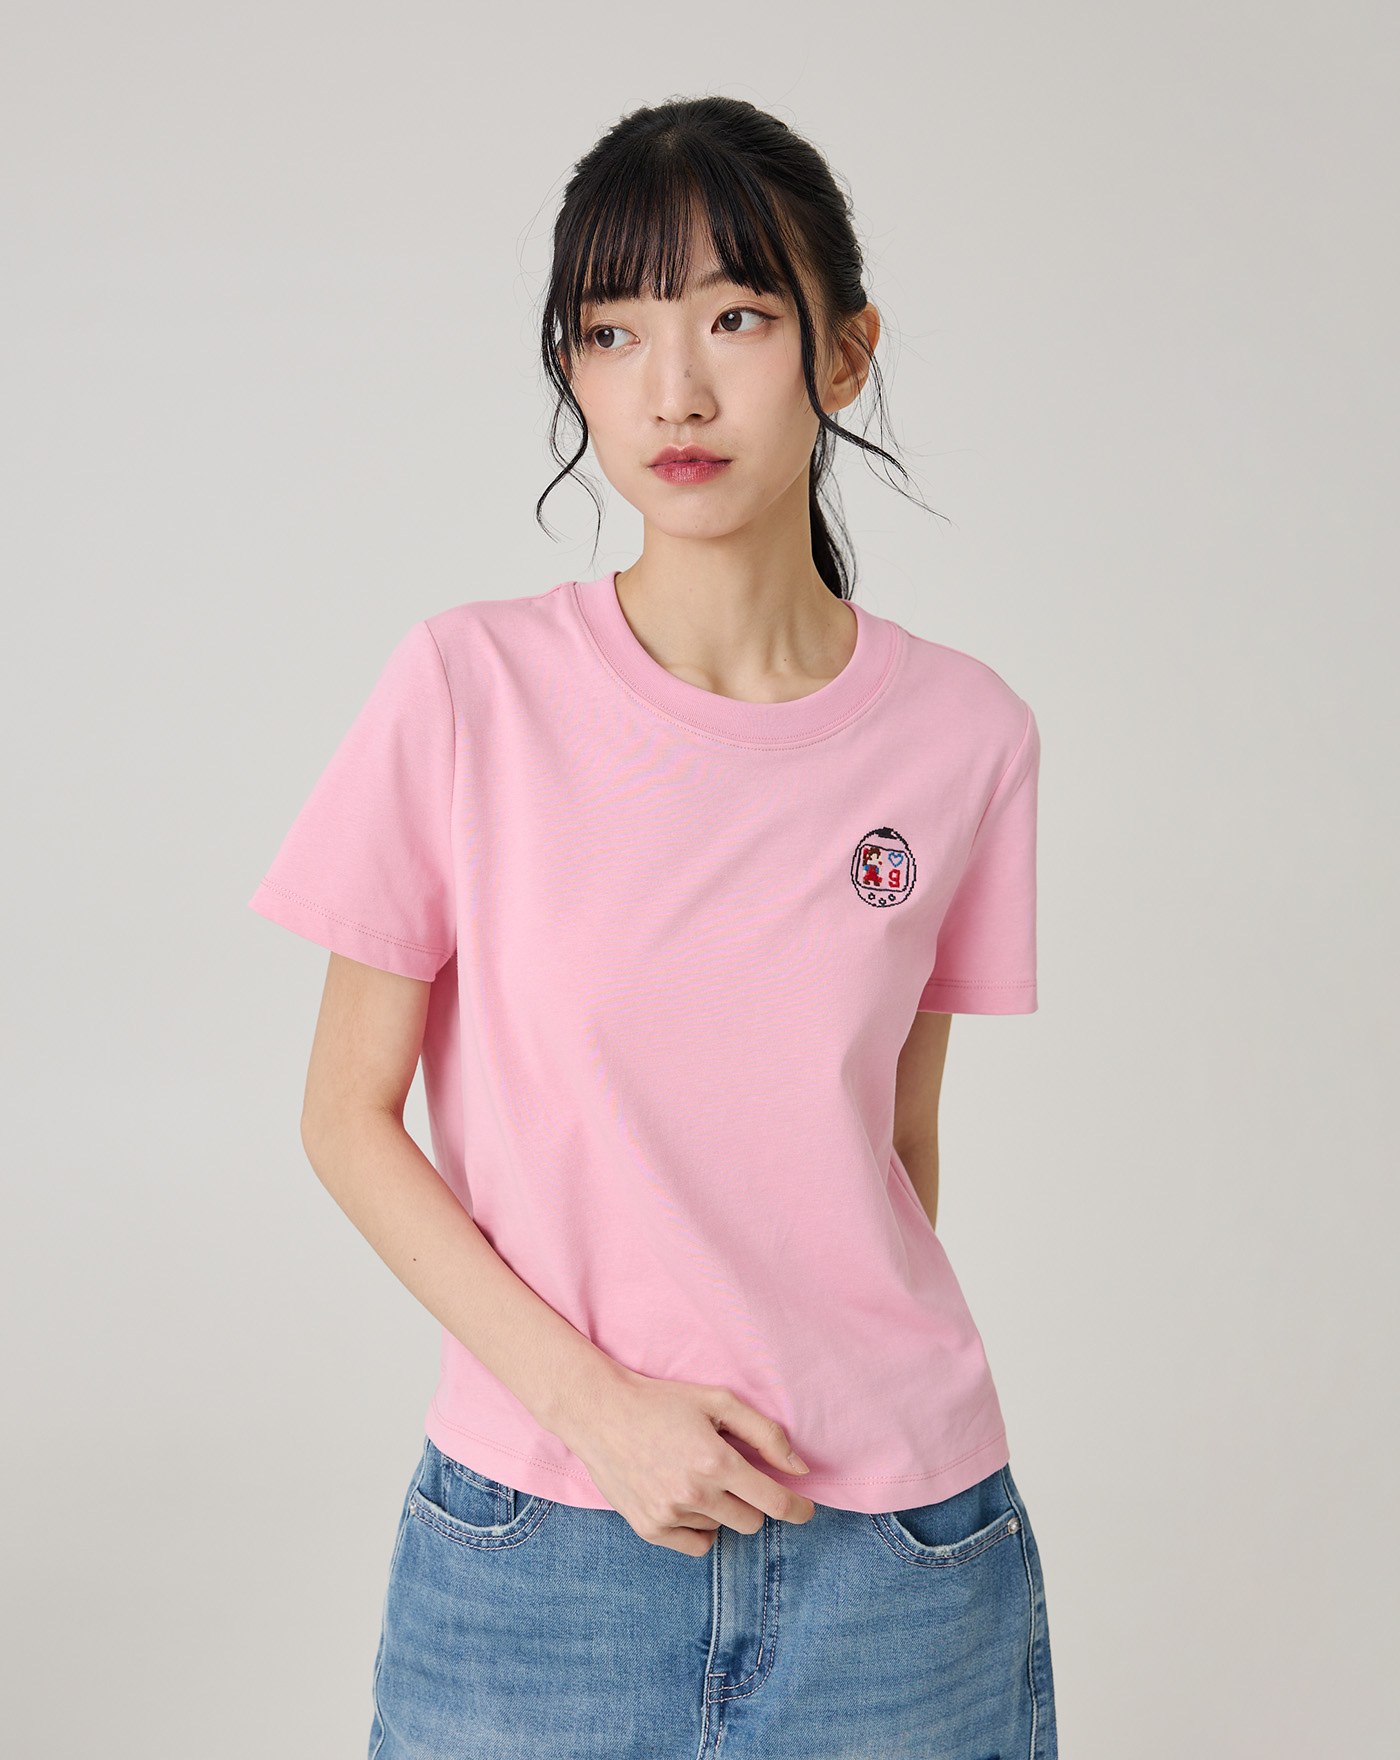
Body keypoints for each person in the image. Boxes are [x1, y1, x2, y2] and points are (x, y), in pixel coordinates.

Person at [249, 94, 1058, 1760]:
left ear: (845, 354)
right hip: (539, 1546)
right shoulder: (469, 689)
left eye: (736, 319)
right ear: (574, 368)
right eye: (613, 333)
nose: (673, 390)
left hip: (901, 1558)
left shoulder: (966, 737)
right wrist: (599, 1411)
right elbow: (344, 1116)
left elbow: (895, 1141)